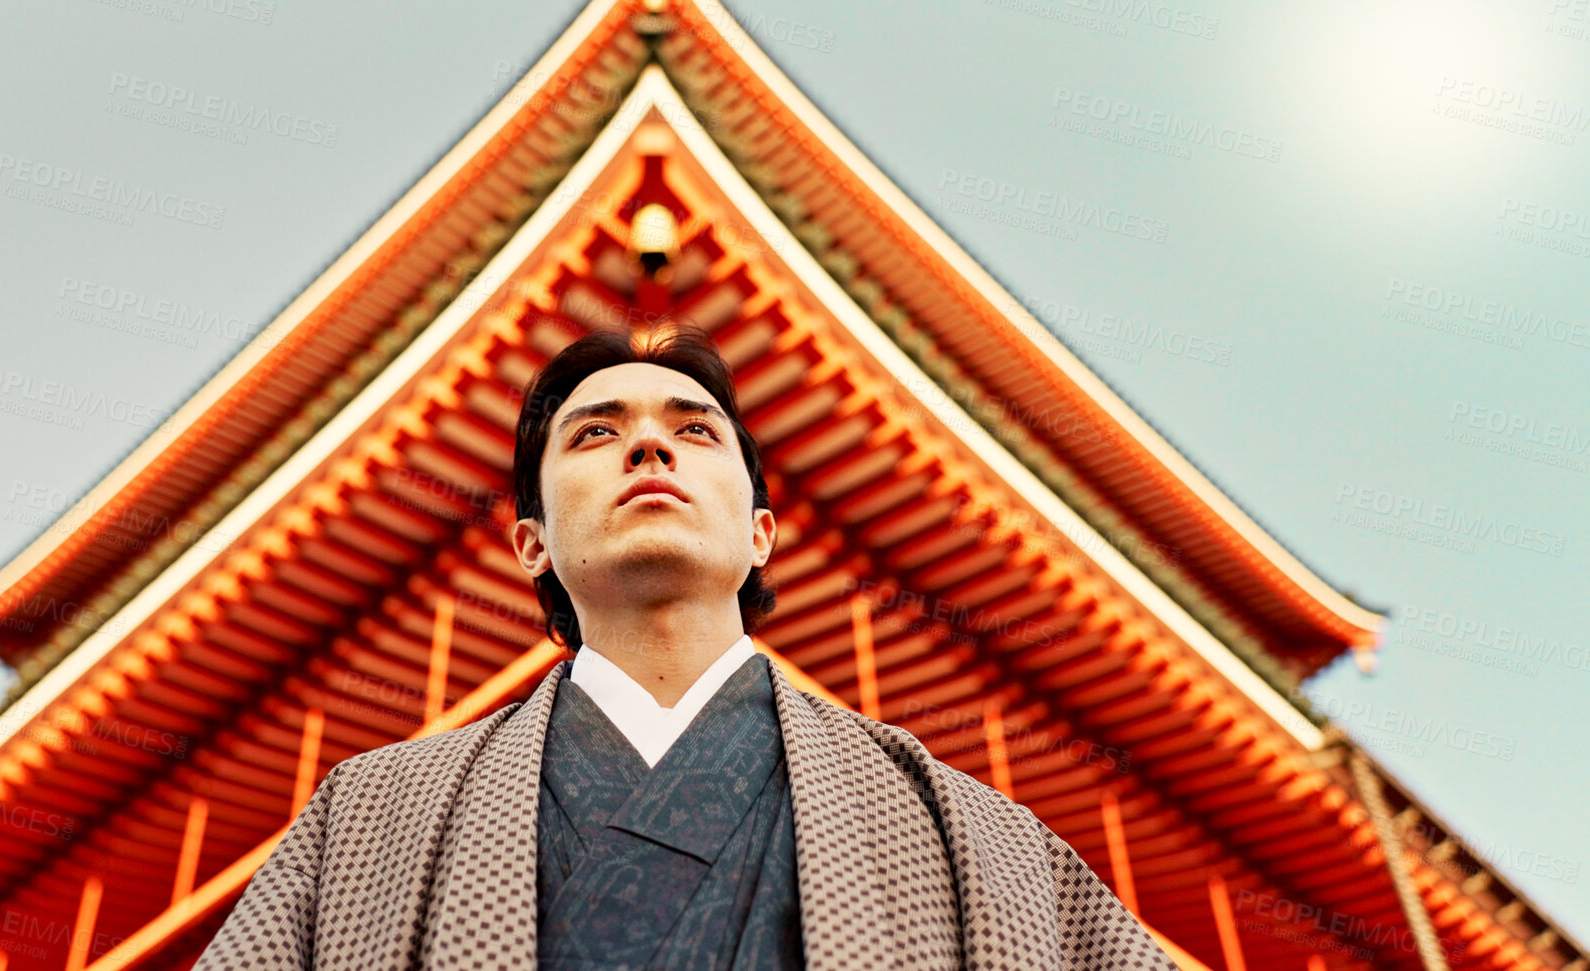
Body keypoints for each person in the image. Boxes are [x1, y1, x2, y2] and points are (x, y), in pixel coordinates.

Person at [196, 322, 1176, 970]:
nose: (649, 447)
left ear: (760, 531)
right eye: (594, 434)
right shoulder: (368, 814)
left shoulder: (984, 839)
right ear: (532, 542)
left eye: (694, 430)